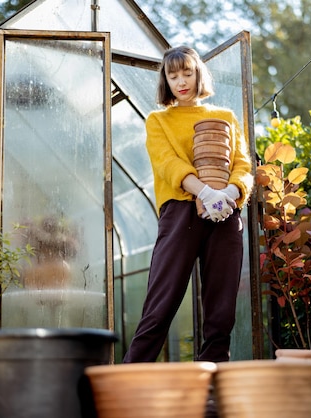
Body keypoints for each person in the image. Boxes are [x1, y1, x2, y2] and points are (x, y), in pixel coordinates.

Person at [123, 46, 254, 363]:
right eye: (173, 75)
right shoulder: (158, 121)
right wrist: (204, 192)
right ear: (165, 82)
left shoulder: (225, 117)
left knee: (221, 306)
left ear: (199, 74)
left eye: (187, 72)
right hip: (181, 212)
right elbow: (167, 163)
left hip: (225, 210)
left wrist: (230, 193)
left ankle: (213, 379)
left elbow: (243, 165)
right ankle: (129, 374)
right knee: (162, 301)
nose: (181, 81)